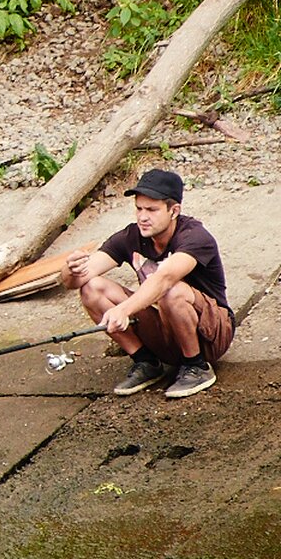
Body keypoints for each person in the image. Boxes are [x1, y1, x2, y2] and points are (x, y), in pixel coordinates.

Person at [60, 168, 234, 399]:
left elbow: (165, 278)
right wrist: (70, 270)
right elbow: (79, 278)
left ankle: (196, 366)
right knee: (92, 288)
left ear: (174, 211)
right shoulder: (130, 237)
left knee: (171, 291)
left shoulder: (195, 236)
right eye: (139, 208)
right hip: (166, 331)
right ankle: (146, 362)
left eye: (151, 210)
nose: (142, 217)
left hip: (211, 334)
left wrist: (123, 310)